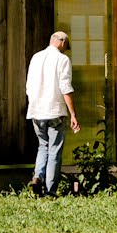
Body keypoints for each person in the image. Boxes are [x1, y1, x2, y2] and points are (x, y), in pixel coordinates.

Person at [25, 30, 80, 195]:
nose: (65, 49)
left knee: (43, 146)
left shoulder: (36, 57)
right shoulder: (62, 59)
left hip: (36, 111)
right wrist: (73, 114)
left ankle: (37, 177)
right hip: (54, 111)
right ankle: (50, 191)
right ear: (62, 42)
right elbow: (65, 87)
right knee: (54, 151)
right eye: (66, 46)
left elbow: (29, 85)